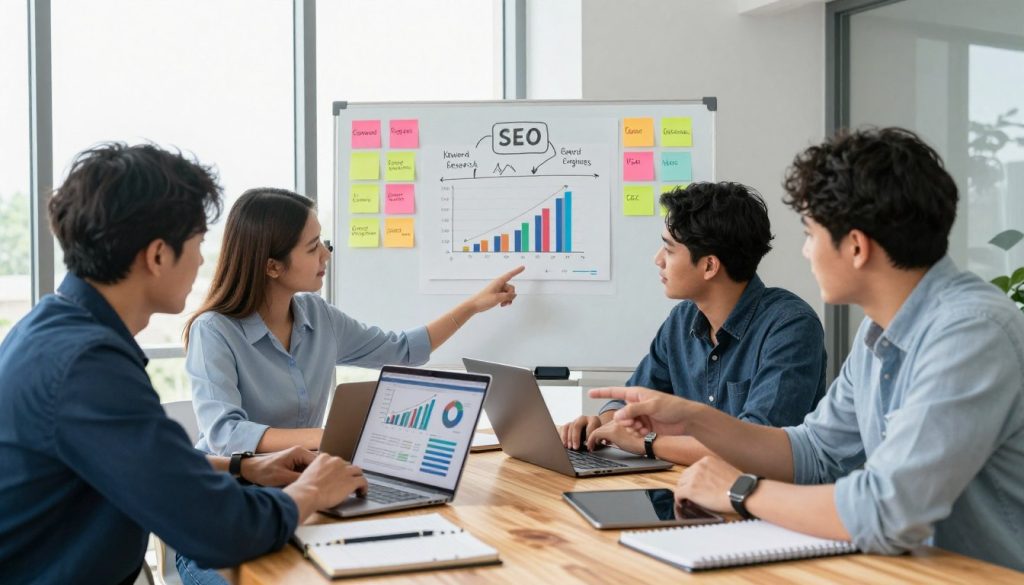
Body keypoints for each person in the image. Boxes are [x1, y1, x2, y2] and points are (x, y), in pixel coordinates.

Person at [591, 127, 1024, 571]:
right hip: (903, 569)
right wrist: (695, 418)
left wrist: (740, 491)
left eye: (811, 234)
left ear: (856, 247)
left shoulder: (970, 333)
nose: (805, 251)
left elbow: (887, 510)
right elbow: (814, 451)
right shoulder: (879, 331)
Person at [0, 143, 368, 584]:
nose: (200, 260)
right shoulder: (86, 367)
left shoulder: (52, 331)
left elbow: (145, 464)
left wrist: (242, 466)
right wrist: (311, 491)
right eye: (196, 244)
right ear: (157, 256)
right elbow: (219, 528)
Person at [183, 187, 522, 456]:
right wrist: (329, 437)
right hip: (226, 496)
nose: (326, 255)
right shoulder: (214, 331)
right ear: (273, 266)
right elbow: (224, 435)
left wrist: (474, 306)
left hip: (300, 484)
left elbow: (402, 351)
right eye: (313, 247)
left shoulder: (318, 317)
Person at [560, 182, 826, 464]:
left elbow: (755, 446)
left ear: (709, 266)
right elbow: (633, 401)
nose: (657, 259)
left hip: (753, 504)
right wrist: (601, 424)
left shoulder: (790, 327)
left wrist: (649, 443)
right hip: (677, 498)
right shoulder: (682, 319)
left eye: (670, 250)